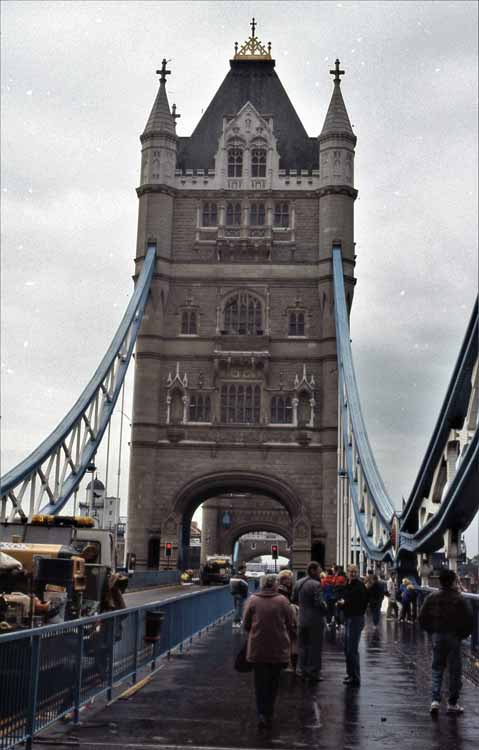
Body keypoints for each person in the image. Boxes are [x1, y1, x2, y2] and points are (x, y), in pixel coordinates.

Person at [243, 574, 294, 730]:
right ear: (275, 585)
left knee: (260, 684)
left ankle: (261, 714)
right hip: (278, 649)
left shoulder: (252, 600)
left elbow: (246, 624)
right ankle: (269, 712)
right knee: (273, 684)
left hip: (258, 649)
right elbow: (290, 622)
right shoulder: (283, 601)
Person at [419, 568, 473, 714]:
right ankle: (452, 703)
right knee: (455, 670)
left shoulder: (431, 597)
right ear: (453, 581)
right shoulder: (460, 599)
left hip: (437, 635)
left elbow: (422, 618)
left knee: (437, 668)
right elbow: (469, 619)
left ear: (440, 581)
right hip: (454, 637)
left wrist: (431, 631)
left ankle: (435, 701)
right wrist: (461, 635)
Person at [292, 561, 327, 685]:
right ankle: (313, 673)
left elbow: (294, 598)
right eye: (319, 570)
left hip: (302, 619)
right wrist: (325, 609)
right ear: (312, 570)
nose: (320, 572)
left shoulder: (298, 583)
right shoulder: (316, 584)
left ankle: (302, 670)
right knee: (315, 648)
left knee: (302, 646)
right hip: (315, 621)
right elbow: (319, 603)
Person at [337, 565, 369, 687]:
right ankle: (350, 674)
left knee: (352, 650)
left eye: (355, 572)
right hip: (349, 618)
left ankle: (355, 677)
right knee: (347, 649)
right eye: (351, 572)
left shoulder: (359, 586)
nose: (353, 574)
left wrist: (343, 603)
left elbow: (357, 602)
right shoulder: (349, 585)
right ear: (347, 572)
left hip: (355, 618)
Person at [277, 569, 299, 671]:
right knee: (290, 642)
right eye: (289, 579)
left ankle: (289, 665)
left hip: (285, 620)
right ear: (283, 580)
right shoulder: (283, 592)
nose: (291, 581)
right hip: (286, 620)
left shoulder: (283, 590)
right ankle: (289, 665)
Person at [229, 565, 249, 629]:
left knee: (236, 608)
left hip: (235, 594)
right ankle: (236, 623)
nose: (245, 570)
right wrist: (245, 595)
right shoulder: (243, 577)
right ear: (242, 569)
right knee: (239, 609)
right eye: (245, 569)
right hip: (241, 594)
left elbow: (231, 585)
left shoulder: (234, 576)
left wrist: (233, 593)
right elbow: (245, 587)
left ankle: (237, 621)